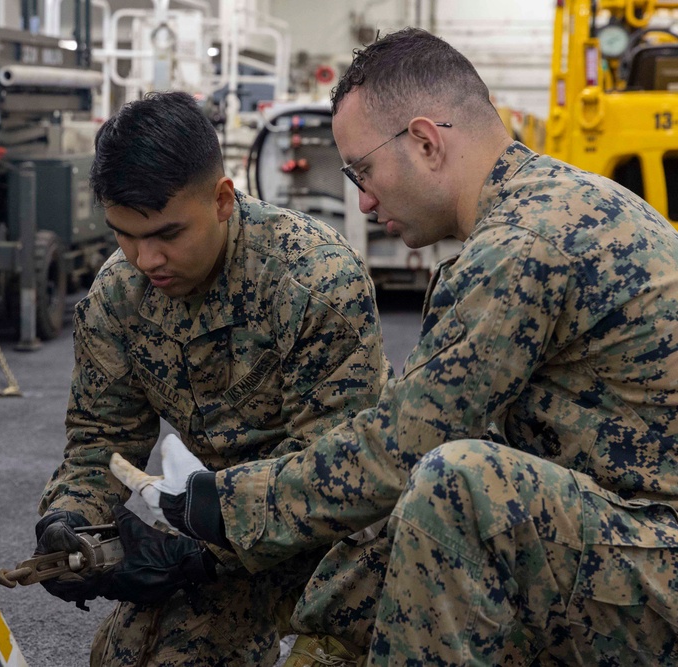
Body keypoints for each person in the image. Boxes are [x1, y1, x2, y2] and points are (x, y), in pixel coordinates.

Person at [113, 28, 678, 666]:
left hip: (658, 566)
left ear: (425, 142)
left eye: (364, 170)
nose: (364, 199)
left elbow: (405, 445)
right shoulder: (552, 208)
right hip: (628, 541)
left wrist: (223, 505)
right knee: (390, 531)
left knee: (457, 487)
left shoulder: (525, 245)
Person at [35, 90, 391, 666]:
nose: (146, 259)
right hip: (218, 529)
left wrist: (192, 555)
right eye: (125, 234)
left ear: (223, 200)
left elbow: (333, 474)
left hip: (344, 544)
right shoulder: (118, 295)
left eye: (168, 235)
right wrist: (73, 521)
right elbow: (101, 441)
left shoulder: (314, 280)